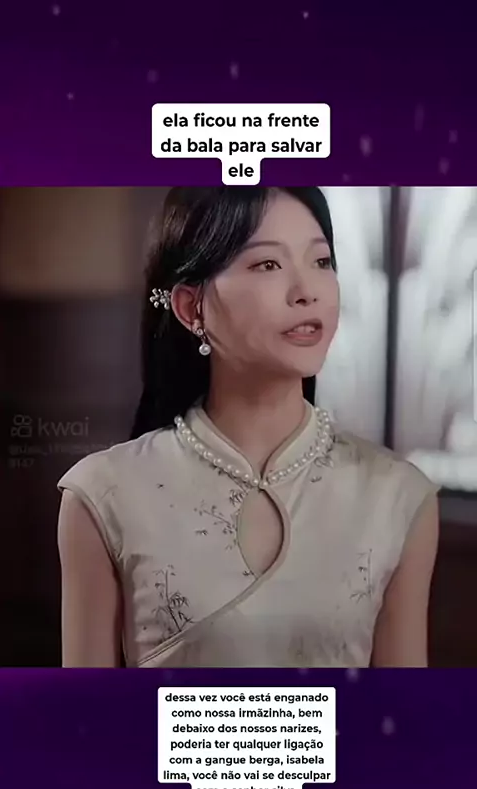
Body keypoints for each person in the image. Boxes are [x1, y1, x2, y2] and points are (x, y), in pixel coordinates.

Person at [57, 186, 440, 668]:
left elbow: (401, 710)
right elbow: (88, 713)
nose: (307, 290)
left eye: (322, 261)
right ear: (191, 307)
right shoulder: (103, 495)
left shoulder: (397, 497)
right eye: (268, 265)